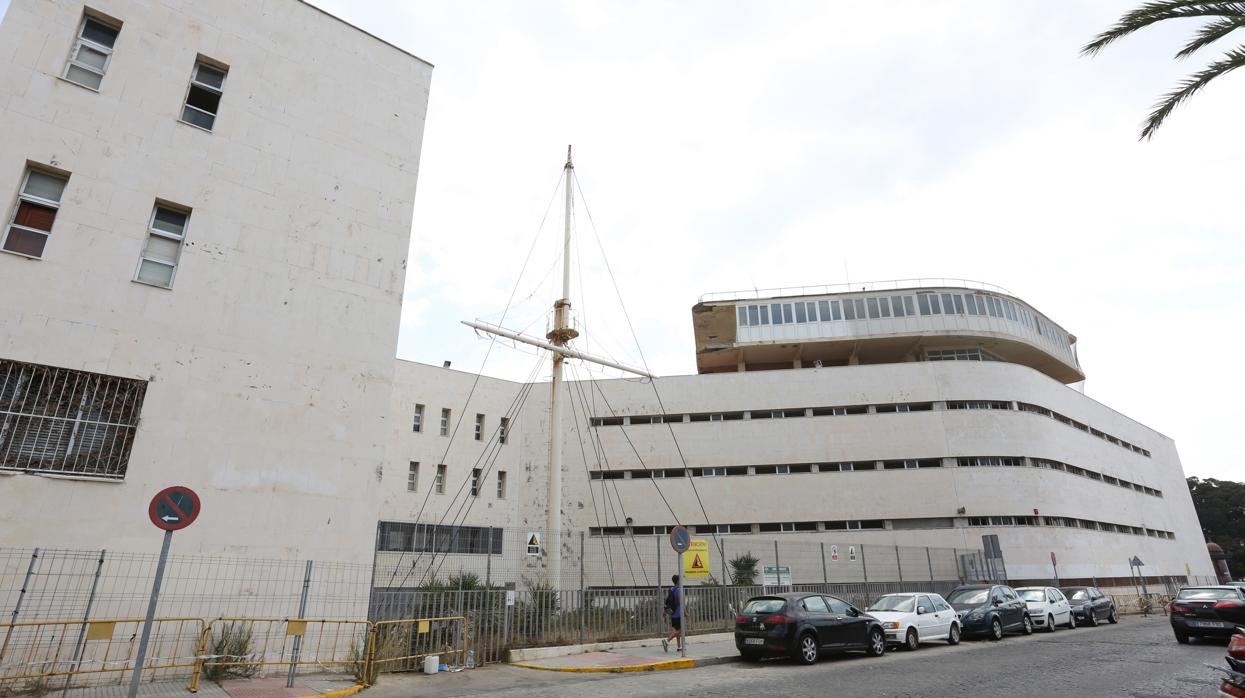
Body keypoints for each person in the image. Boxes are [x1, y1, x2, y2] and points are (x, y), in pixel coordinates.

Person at [661, 574, 682, 653]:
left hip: (672, 613)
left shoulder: (671, 589)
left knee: (677, 630)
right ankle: (667, 641)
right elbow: (680, 602)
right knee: (680, 630)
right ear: (678, 581)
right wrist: (685, 612)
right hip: (678, 613)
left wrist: (665, 611)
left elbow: (667, 601)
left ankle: (679, 647)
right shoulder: (679, 590)